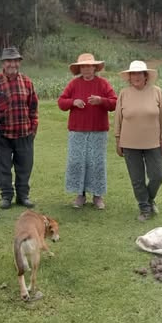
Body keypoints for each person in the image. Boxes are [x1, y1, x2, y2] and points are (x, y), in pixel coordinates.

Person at [58, 53, 117, 209]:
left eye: (89, 66)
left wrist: (101, 100)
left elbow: (114, 103)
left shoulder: (103, 84)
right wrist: (73, 102)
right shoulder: (74, 84)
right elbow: (61, 102)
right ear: (79, 69)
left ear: (94, 67)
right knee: (78, 162)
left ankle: (98, 196)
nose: (86, 69)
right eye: (83, 66)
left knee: (97, 163)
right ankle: (81, 195)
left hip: (98, 131)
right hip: (77, 131)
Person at [114, 60, 162, 221]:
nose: (136, 77)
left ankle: (149, 199)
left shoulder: (157, 92)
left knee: (157, 175)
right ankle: (144, 208)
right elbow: (118, 118)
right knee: (137, 179)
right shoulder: (124, 93)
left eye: (139, 73)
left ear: (146, 76)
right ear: (129, 77)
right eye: (133, 74)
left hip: (153, 142)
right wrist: (117, 139)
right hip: (129, 143)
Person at [0, 47, 38, 209]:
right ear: (3, 63)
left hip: (24, 132)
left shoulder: (27, 82)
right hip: (2, 134)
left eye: (15, 61)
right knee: (3, 167)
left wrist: (33, 127)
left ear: (19, 62)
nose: (12, 64)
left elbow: (33, 107)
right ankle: (6, 196)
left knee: (24, 167)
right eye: (8, 61)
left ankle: (23, 196)